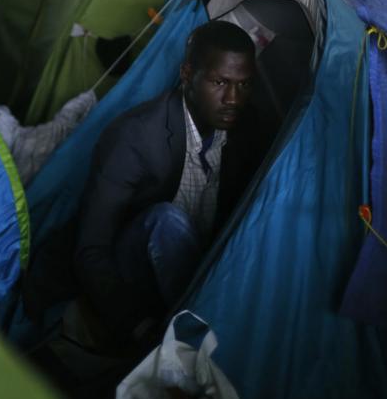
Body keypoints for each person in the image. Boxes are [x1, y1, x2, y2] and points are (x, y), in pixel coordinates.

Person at [72, 20, 268, 347]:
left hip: (201, 276)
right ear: (187, 75)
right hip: (131, 278)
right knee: (167, 221)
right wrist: (136, 325)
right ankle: (199, 339)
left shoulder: (247, 132)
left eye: (244, 84)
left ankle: (216, 333)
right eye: (220, 82)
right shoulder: (135, 136)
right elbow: (90, 250)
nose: (233, 98)